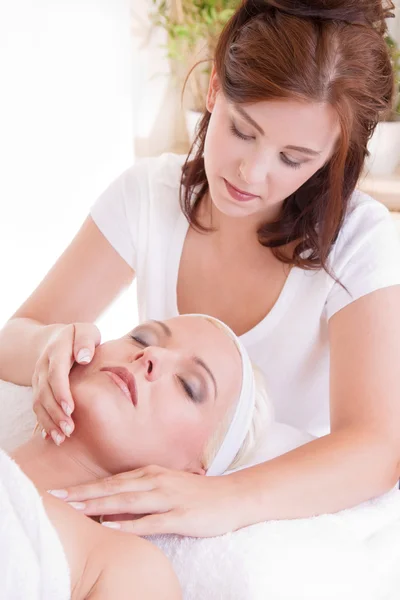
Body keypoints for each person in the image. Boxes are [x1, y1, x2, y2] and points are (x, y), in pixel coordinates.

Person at [0, 0, 400, 539]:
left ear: (332, 155)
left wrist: (222, 499)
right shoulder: (149, 197)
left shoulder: (359, 242)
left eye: (294, 158)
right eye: (242, 129)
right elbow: (12, 342)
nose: (251, 172)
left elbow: (376, 446)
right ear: (214, 89)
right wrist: (51, 346)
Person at [2, 314, 270, 599]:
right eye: (140, 338)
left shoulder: (124, 567)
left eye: (188, 385)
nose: (150, 354)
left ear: (188, 477)